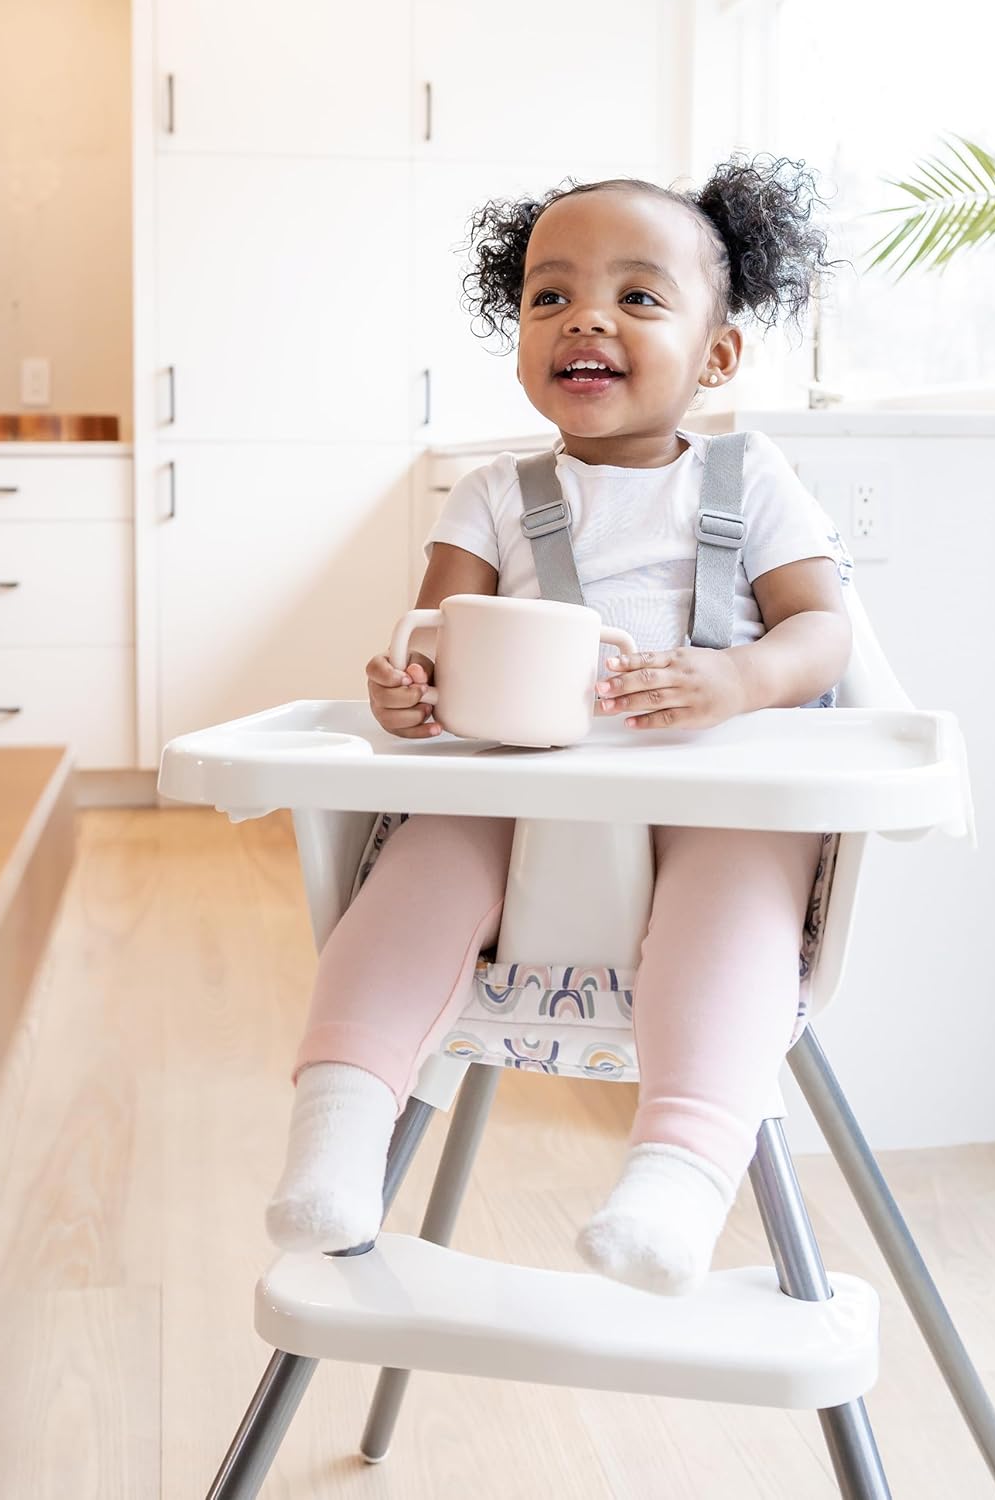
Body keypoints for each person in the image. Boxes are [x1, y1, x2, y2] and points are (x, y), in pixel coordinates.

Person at [265, 154, 855, 1296]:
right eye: (551, 295)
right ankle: (336, 1134)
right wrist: (412, 693)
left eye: (637, 295)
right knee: (422, 865)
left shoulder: (751, 478)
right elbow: (433, 637)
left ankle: (679, 1174)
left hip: (710, 788)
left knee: (740, 887)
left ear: (718, 355)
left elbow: (822, 632)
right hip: (521, 789)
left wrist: (738, 680)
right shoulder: (494, 494)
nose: (586, 317)